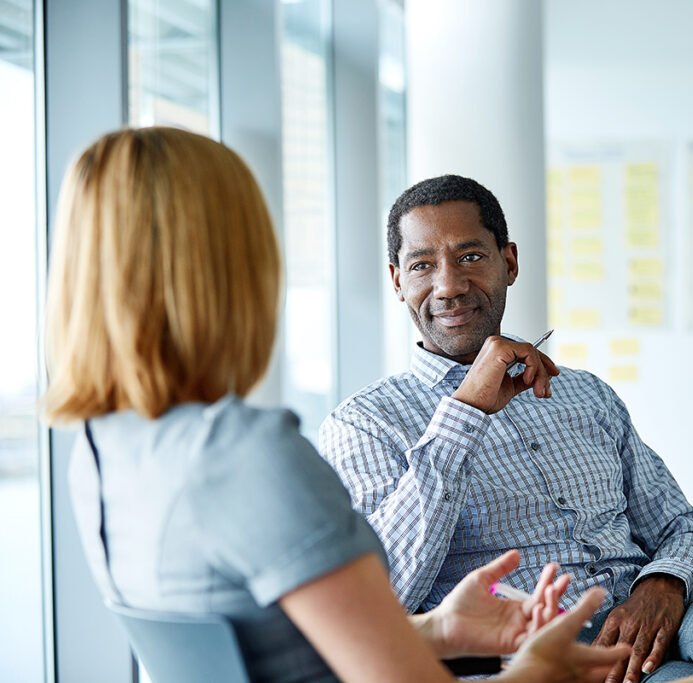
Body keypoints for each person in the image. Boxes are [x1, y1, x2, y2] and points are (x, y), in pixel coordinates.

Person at [43, 127, 644, 683]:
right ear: (233, 269)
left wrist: (434, 630)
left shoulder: (101, 453)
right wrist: (538, 670)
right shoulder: (248, 455)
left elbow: (271, 654)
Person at [319, 174, 693, 683]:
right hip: (544, 658)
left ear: (508, 262)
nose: (449, 285)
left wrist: (664, 583)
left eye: (470, 257)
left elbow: (684, 529)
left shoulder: (585, 394)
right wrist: (463, 412)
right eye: (423, 266)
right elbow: (383, 595)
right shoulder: (365, 423)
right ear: (398, 281)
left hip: (659, 619)